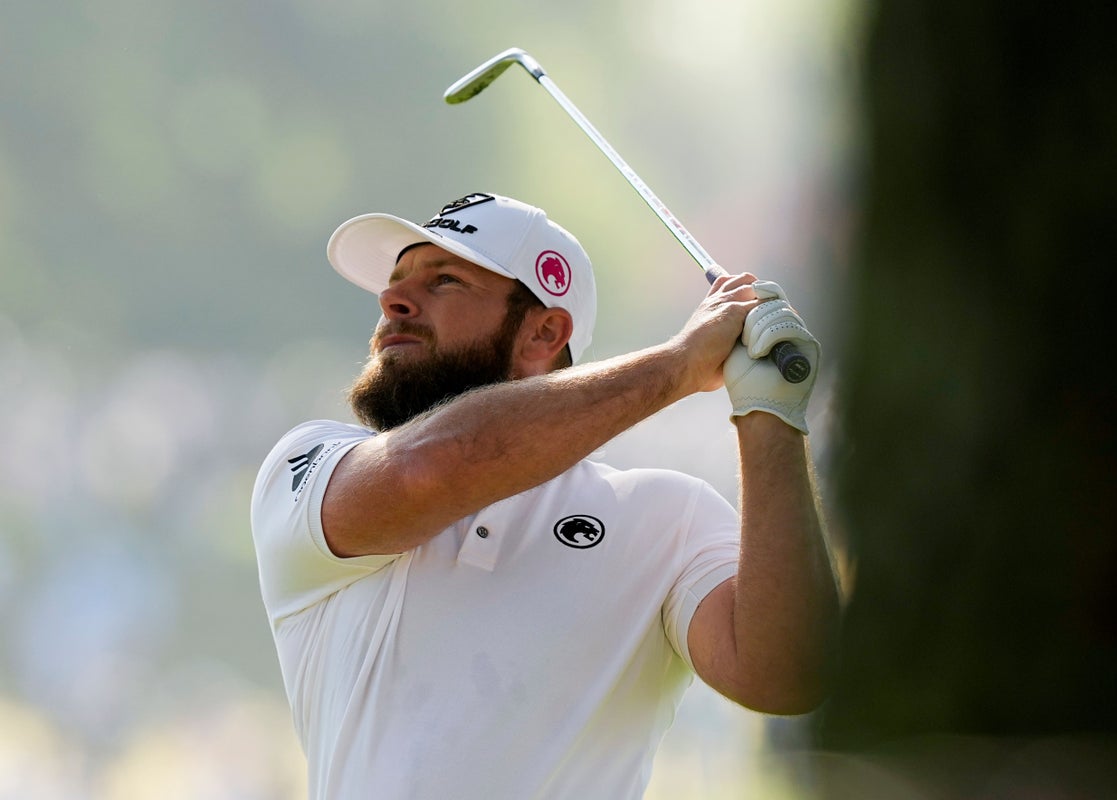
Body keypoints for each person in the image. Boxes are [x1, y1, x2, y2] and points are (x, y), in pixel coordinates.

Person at [250, 192, 840, 799]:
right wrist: (679, 363)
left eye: (444, 280)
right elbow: (425, 470)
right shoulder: (310, 465)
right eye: (396, 282)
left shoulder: (664, 516)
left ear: (543, 333)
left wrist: (770, 413)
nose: (392, 300)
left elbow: (786, 676)